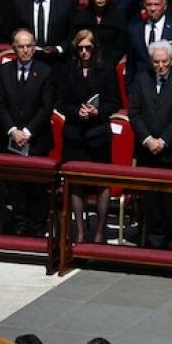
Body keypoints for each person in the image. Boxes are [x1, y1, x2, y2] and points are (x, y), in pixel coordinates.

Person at [55, 28, 120, 242]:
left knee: (102, 182)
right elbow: (60, 102)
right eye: (80, 48)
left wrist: (97, 111)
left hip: (98, 134)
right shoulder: (67, 71)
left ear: (94, 48)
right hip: (75, 134)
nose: (84, 52)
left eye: (88, 48)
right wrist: (77, 111)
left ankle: (100, 232)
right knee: (75, 183)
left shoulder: (106, 70)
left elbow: (114, 102)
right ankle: (81, 232)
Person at [129, 40, 172, 249]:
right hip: (147, 151)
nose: (161, 66)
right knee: (152, 201)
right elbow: (134, 113)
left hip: (171, 152)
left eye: (164, 61)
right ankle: (154, 242)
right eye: (156, 62)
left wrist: (163, 141)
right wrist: (148, 140)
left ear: (171, 60)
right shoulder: (141, 79)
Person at [0, 28, 57, 235]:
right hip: (12, 139)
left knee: (37, 186)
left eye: (29, 46)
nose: (25, 50)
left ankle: (37, 226)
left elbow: (46, 107)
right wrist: (13, 130)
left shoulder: (46, 71)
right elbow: (0, 104)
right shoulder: (3, 71)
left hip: (37, 139)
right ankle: (20, 224)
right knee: (16, 186)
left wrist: (28, 132)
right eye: (21, 46)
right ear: (14, 48)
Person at [126, 0, 172, 81]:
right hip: (142, 84)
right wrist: (131, 86)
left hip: (170, 83)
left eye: (156, 4)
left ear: (165, 6)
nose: (152, 8)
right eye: (149, 4)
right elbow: (130, 64)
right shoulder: (134, 30)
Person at [71, 0, 128, 67]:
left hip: (110, 64)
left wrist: (108, 65)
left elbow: (120, 46)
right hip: (84, 63)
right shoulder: (80, 17)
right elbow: (75, 42)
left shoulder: (118, 17)